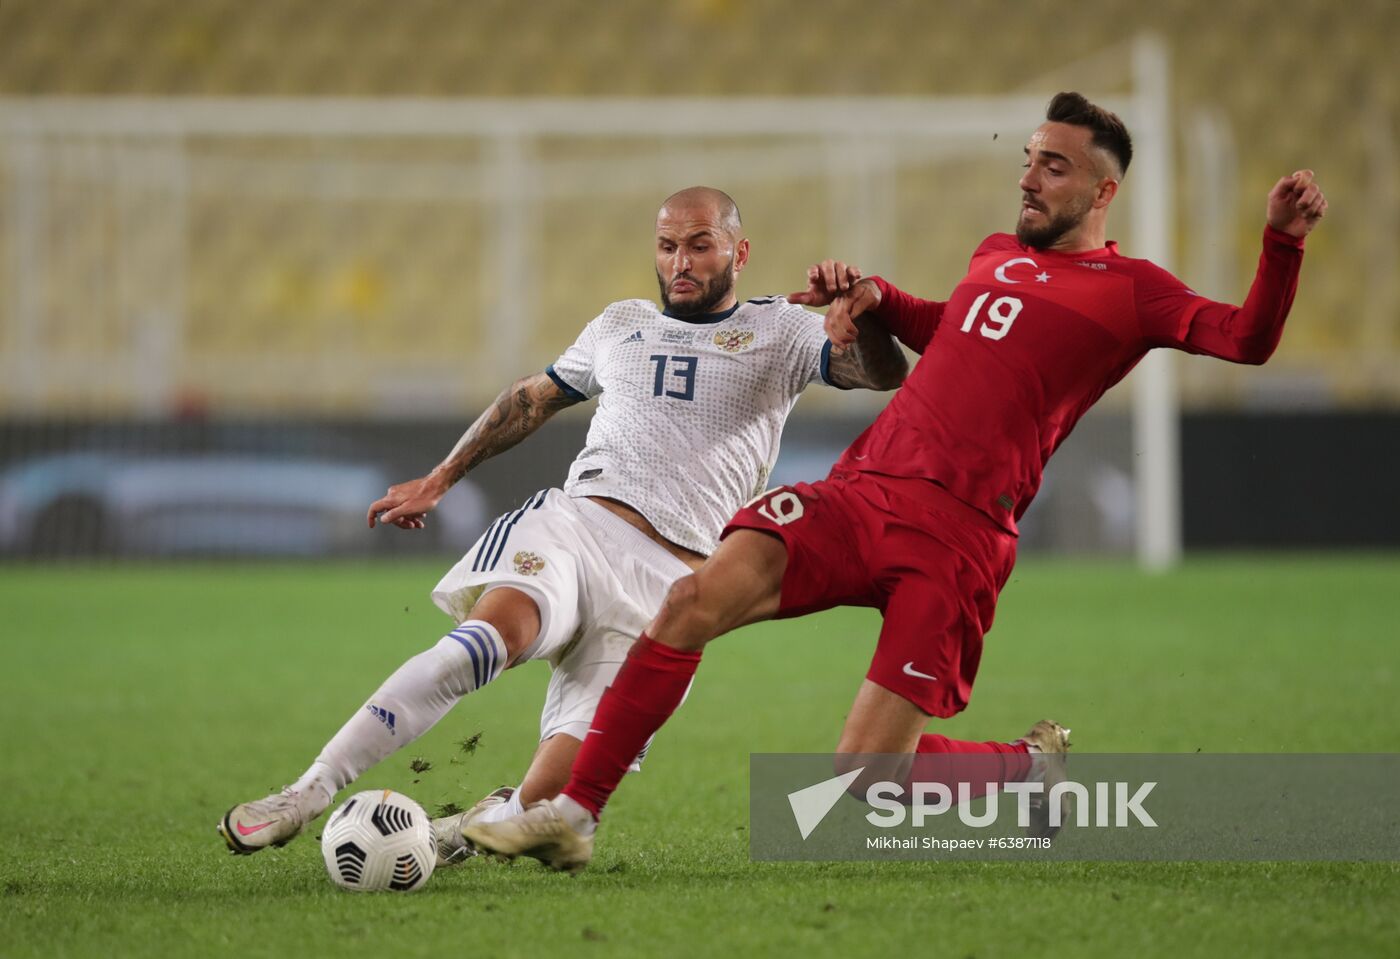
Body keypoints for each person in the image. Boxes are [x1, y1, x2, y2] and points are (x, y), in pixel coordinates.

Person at [463, 92, 1329, 873]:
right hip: (864, 490)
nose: (1028, 178)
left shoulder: (1133, 291)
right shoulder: (996, 253)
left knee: (864, 777)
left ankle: (1030, 764)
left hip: (958, 538)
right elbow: (957, 328)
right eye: (1027, 158)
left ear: (1102, 193)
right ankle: (574, 812)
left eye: (1053, 166)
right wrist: (877, 296)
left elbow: (1246, 339)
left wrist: (1280, 244)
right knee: (688, 601)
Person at [217, 186, 908, 859]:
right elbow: (531, 399)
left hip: (673, 588)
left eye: (700, 245)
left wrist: (865, 314)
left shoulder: (780, 328)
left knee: (548, 804)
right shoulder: (619, 323)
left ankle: (459, 829)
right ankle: (304, 794)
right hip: (575, 529)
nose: (680, 262)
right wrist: (439, 478)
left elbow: (881, 373)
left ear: (739, 250)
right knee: (480, 645)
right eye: (667, 246)